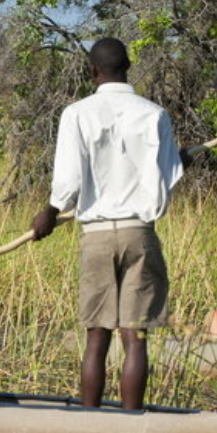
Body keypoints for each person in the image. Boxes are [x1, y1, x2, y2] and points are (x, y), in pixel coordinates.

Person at [30, 37, 185, 410]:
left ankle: (91, 418)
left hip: (97, 235)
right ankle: (131, 419)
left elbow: (68, 177)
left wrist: (51, 211)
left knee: (97, 335)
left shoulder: (77, 113)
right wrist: (181, 163)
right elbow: (168, 176)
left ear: (93, 72)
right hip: (139, 232)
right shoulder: (154, 114)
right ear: (128, 66)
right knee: (135, 335)